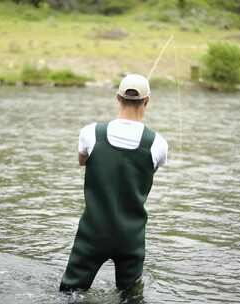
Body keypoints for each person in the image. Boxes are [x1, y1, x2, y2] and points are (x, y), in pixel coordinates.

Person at [60, 74, 168, 292]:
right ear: (147, 102)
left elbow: (82, 161)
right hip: (131, 238)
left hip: (92, 234)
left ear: (118, 98)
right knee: (131, 297)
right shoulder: (158, 144)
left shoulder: (90, 133)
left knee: (70, 293)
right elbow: (149, 170)